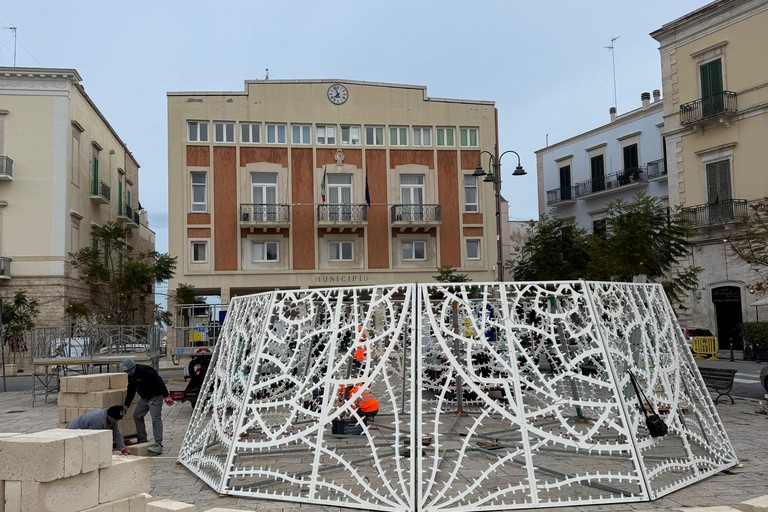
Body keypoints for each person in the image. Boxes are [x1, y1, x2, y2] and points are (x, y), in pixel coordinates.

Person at [121, 358, 173, 454]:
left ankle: (158, 444)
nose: (129, 373)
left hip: (155, 397)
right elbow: (131, 390)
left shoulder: (146, 371)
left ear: (134, 367)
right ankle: (142, 440)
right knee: (137, 416)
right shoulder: (131, 376)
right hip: (145, 398)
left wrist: (166, 395)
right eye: (127, 372)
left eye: (129, 371)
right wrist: (126, 405)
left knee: (155, 418)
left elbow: (159, 380)